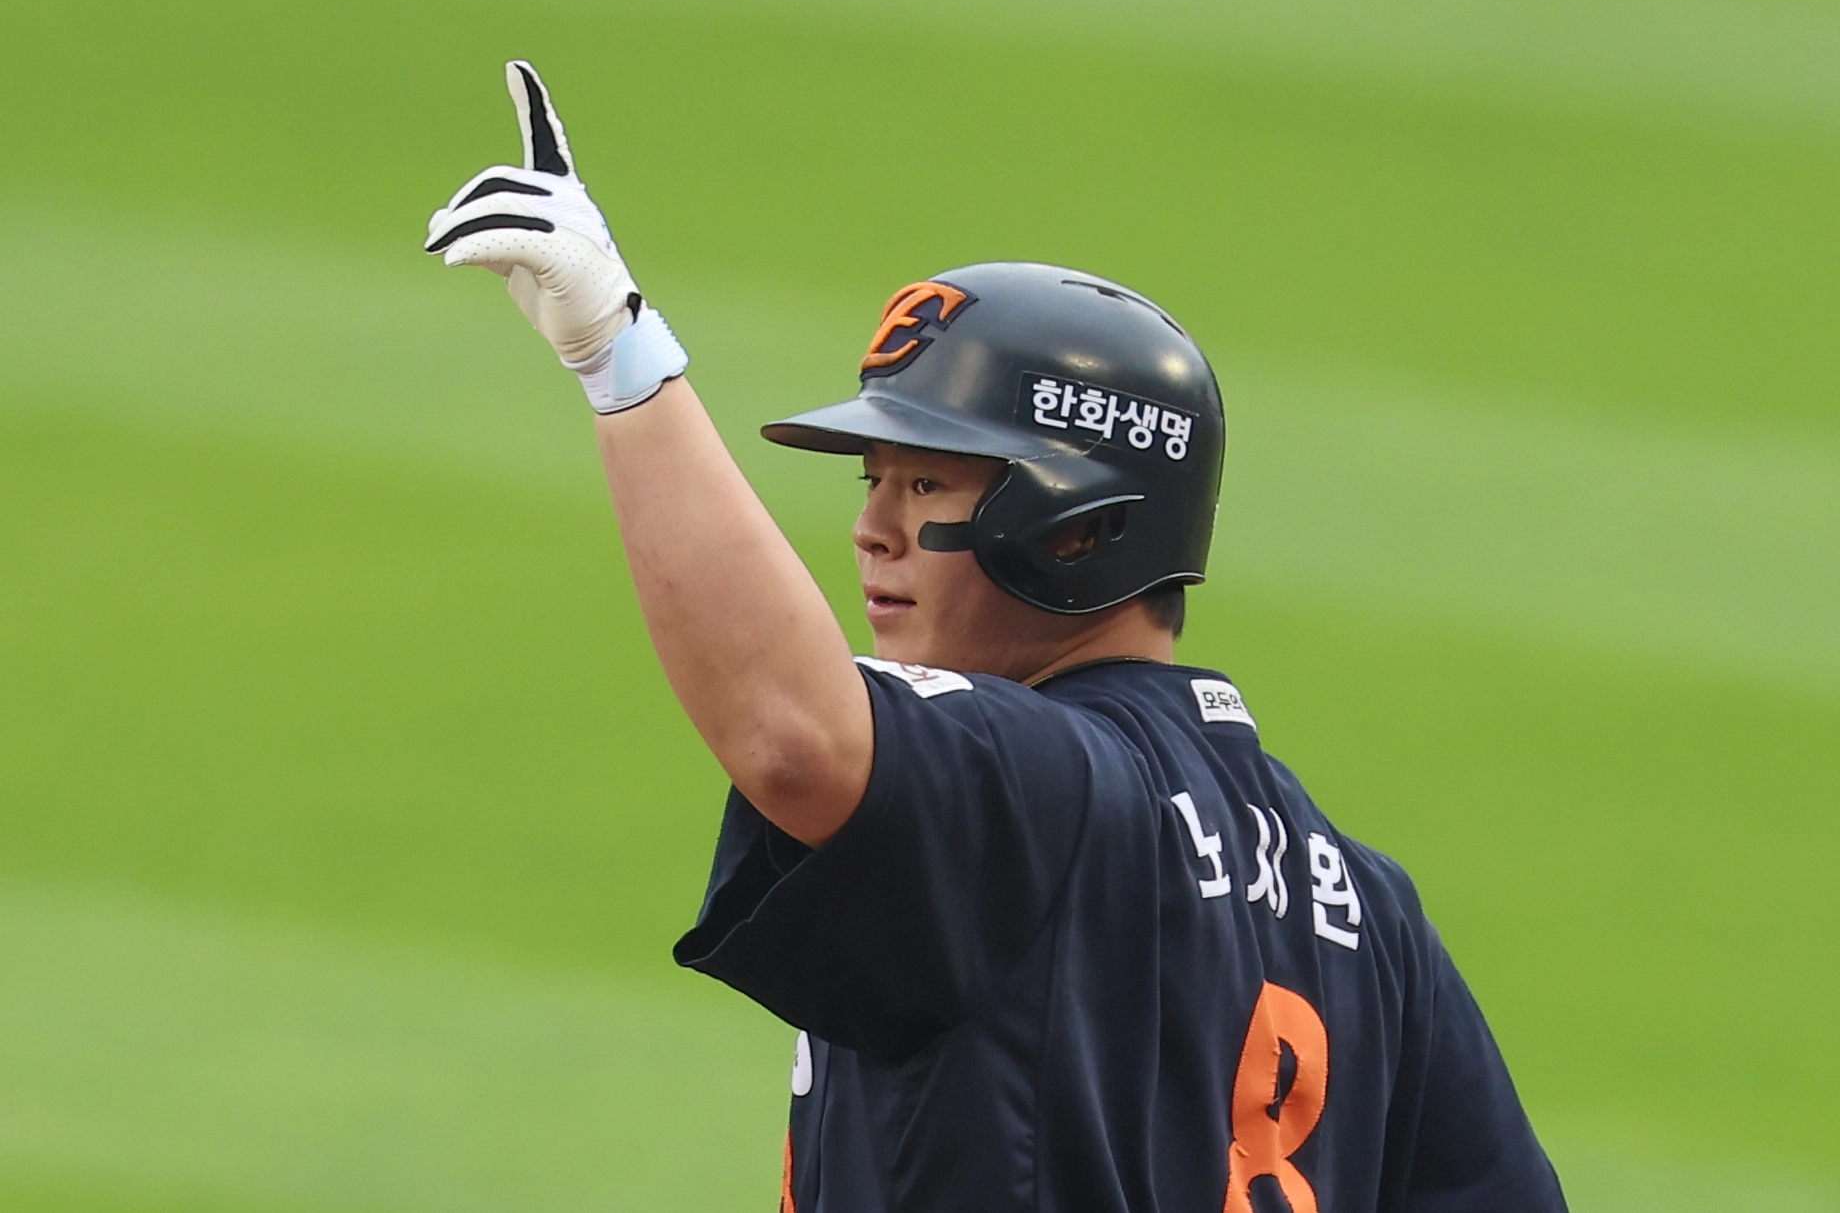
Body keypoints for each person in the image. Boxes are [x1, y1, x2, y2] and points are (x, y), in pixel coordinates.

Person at [426, 61, 1568, 1213]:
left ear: (1081, 529)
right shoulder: (1366, 909)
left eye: (926, 484)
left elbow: (793, 736)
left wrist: (619, 360)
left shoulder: (1044, 786)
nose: (872, 530)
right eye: (873, 480)